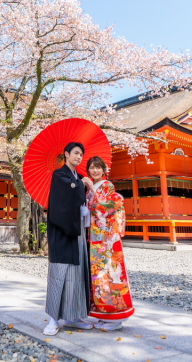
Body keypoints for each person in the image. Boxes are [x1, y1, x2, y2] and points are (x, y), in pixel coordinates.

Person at [43, 142, 94, 336]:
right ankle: (53, 319)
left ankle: (73, 317)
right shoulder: (59, 175)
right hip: (62, 232)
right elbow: (66, 194)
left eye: (81, 154)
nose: (79, 157)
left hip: (78, 230)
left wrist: (86, 186)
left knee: (76, 275)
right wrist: (82, 184)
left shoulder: (79, 177)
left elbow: (82, 196)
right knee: (59, 274)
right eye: (76, 153)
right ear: (66, 154)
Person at [82, 156, 135, 331]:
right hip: (95, 238)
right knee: (98, 278)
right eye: (92, 167)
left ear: (104, 170)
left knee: (111, 276)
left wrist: (90, 188)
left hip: (107, 240)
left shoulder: (107, 186)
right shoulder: (89, 190)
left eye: (98, 167)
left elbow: (104, 208)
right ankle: (103, 313)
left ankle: (116, 317)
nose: (95, 171)